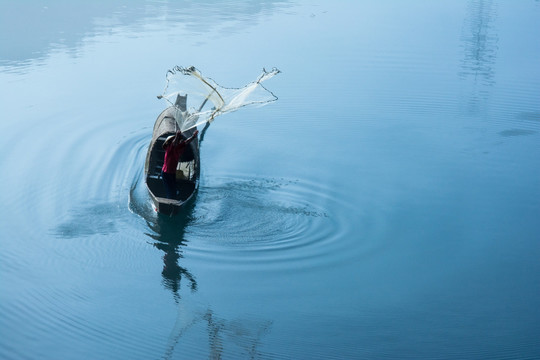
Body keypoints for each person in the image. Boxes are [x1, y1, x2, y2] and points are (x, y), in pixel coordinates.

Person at [161, 129, 199, 199]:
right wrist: (177, 136)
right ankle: (170, 202)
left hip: (172, 172)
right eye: (173, 140)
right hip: (166, 173)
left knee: (173, 189)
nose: (176, 141)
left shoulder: (178, 147)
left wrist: (193, 137)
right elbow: (173, 144)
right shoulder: (169, 148)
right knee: (170, 190)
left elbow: (186, 142)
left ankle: (173, 200)